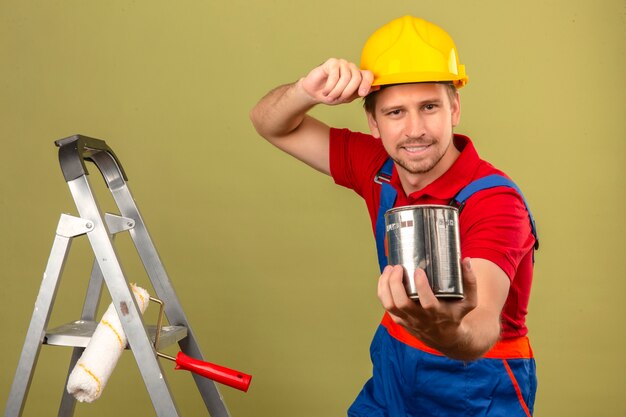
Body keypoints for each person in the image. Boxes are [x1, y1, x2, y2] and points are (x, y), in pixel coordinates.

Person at [250, 15, 538, 417]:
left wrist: (448, 332)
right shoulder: (375, 165)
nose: (415, 130)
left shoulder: (495, 201)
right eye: (395, 113)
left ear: (454, 108)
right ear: (373, 121)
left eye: (429, 107)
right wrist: (306, 90)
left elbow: (484, 322)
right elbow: (270, 124)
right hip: (394, 371)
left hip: (476, 385)